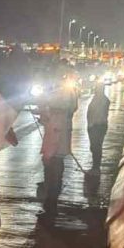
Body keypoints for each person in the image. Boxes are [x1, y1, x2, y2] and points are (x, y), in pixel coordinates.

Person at [39, 82, 77, 216]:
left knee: (52, 181)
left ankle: (50, 205)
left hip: (54, 156)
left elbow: (54, 139)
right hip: (58, 155)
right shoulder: (64, 118)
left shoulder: (57, 119)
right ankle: (51, 203)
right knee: (55, 180)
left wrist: (47, 156)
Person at [87, 83, 110, 173]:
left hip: (98, 126)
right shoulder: (96, 99)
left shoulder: (103, 101)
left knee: (96, 146)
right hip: (94, 126)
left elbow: (98, 114)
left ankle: (96, 167)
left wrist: (92, 124)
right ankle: (95, 166)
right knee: (94, 146)